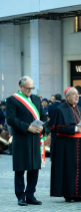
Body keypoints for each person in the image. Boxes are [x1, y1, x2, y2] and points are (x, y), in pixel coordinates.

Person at [6, 76, 46, 206]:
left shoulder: (36, 99)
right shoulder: (12, 100)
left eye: (32, 88)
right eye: (28, 88)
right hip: (22, 138)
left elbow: (43, 116)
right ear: (21, 86)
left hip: (35, 138)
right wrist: (27, 127)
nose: (30, 90)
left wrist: (42, 127)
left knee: (34, 167)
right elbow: (11, 119)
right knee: (20, 168)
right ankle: (20, 196)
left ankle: (30, 194)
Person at [48, 87, 81, 202]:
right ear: (67, 97)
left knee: (80, 168)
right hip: (66, 145)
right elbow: (57, 128)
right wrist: (76, 128)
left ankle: (78, 194)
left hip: (79, 144)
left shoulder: (80, 109)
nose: (77, 97)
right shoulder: (60, 110)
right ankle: (68, 194)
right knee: (68, 169)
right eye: (74, 94)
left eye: (77, 94)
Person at [47, 93, 62, 160]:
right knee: (60, 141)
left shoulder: (50, 106)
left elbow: (48, 116)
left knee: (53, 140)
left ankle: (52, 156)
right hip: (60, 125)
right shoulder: (62, 106)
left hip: (53, 125)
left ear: (55, 98)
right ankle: (59, 155)